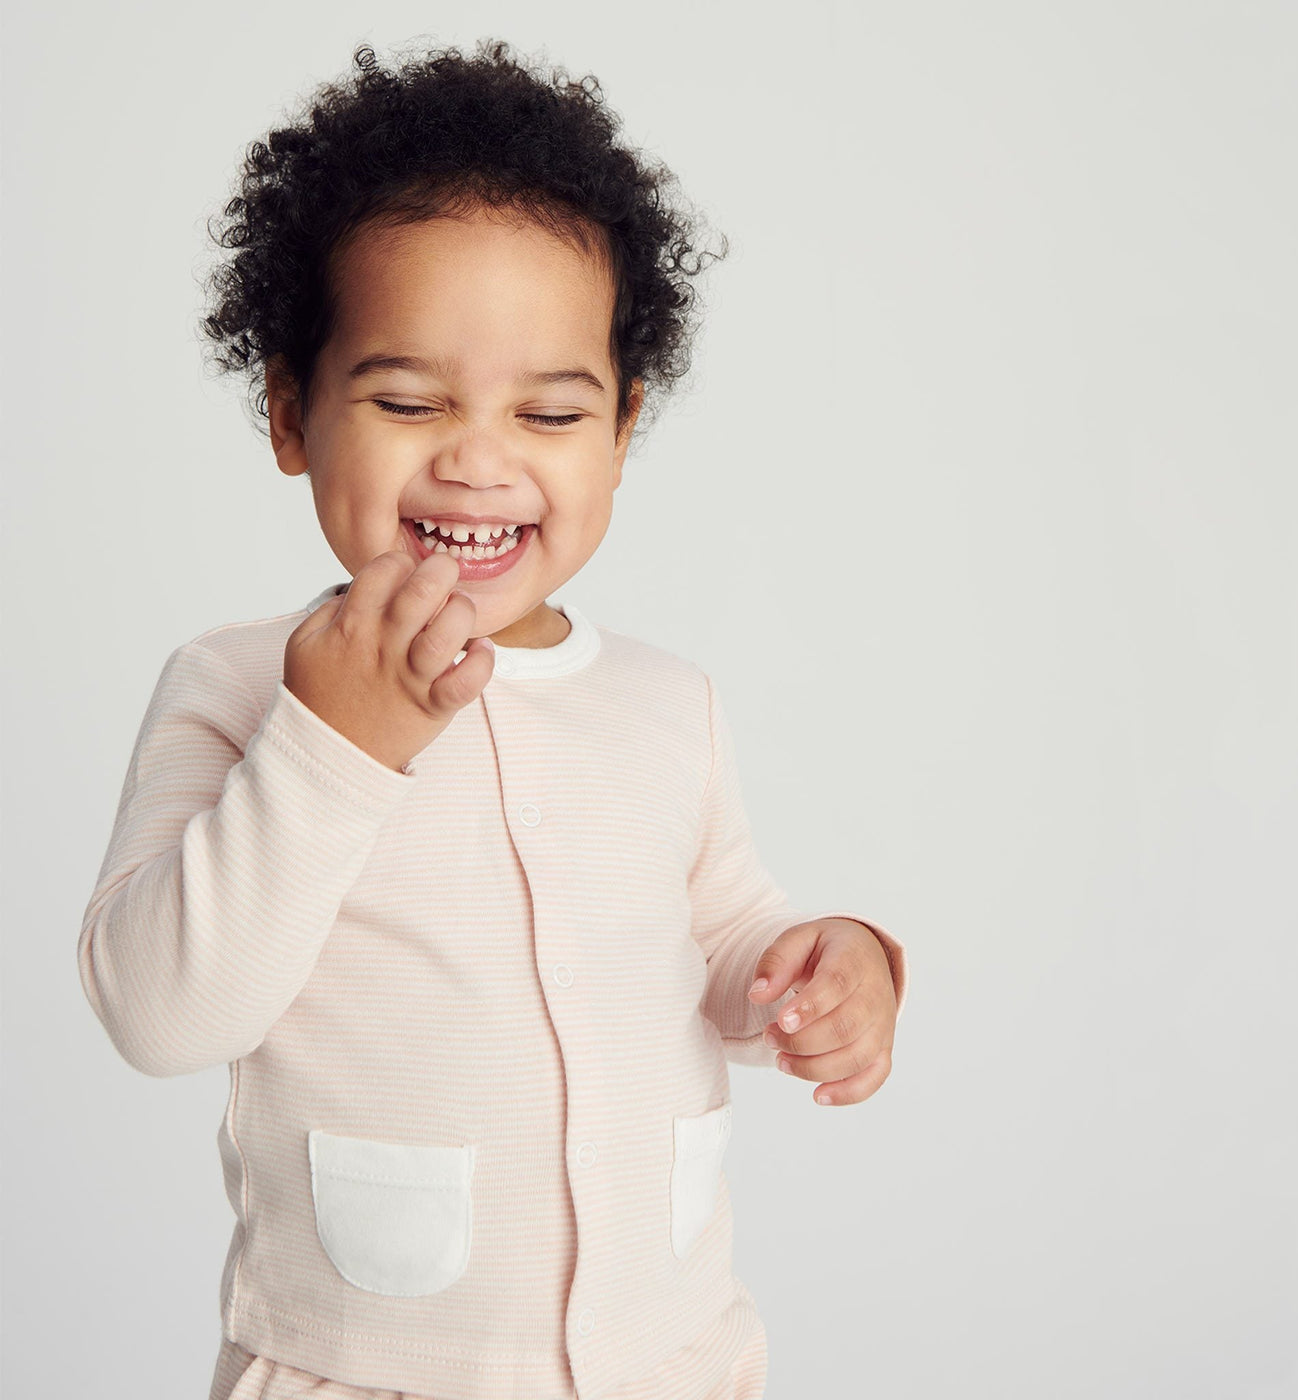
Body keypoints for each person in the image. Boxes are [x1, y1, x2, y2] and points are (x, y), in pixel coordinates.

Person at [76, 37, 910, 1400]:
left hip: (672, 1363)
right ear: (290, 409)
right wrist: (332, 741)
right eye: (407, 400)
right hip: (366, 1365)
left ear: (625, 429)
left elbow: (724, 941)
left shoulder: (668, 708)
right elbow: (159, 1012)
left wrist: (829, 965)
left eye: (552, 409)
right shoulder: (239, 688)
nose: (478, 455)